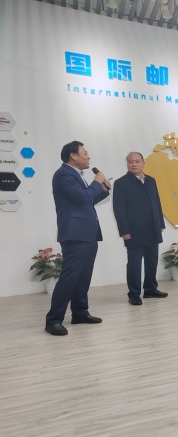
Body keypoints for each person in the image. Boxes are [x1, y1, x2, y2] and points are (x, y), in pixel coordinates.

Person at [44, 141, 110, 336]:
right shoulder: (63, 174)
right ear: (73, 155)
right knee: (70, 277)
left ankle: (80, 312)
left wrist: (103, 188)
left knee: (83, 276)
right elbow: (83, 197)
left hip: (87, 233)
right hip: (75, 234)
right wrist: (96, 183)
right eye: (85, 153)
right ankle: (53, 320)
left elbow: (88, 200)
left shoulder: (76, 175)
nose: (88, 156)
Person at [112, 152, 168, 306]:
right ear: (127, 164)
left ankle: (150, 289)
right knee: (134, 263)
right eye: (130, 162)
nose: (134, 164)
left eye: (137, 161)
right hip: (133, 230)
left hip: (152, 228)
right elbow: (118, 209)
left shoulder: (151, 181)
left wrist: (160, 223)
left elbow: (157, 203)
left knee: (152, 260)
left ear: (143, 163)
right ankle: (134, 294)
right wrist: (124, 230)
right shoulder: (121, 183)